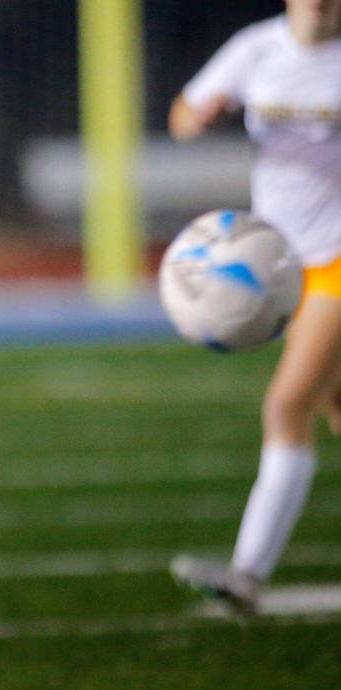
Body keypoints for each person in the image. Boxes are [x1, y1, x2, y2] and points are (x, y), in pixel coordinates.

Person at [168, 0, 341, 617]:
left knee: (287, 403)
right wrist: (202, 111)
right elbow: (183, 114)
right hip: (284, 263)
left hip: (338, 260)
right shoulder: (257, 49)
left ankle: (247, 575)